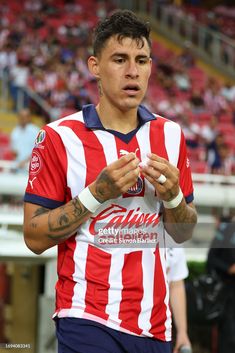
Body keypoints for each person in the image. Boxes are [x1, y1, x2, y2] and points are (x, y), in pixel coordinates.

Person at [23, 10, 197, 353]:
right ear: (95, 66)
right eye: (120, 59)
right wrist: (96, 194)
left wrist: (175, 198)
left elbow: (183, 232)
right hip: (86, 318)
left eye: (142, 60)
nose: (133, 71)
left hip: (154, 326)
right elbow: (33, 237)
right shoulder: (58, 137)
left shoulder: (171, 135)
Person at [207, 213, 235, 353]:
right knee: (229, 331)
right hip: (227, 292)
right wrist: (229, 269)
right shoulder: (226, 231)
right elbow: (211, 259)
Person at [166, 247, 192, 353]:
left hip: (159, 328)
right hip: (117, 326)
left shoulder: (173, 238)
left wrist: (182, 331)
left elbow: (176, 285)